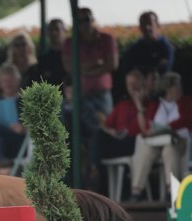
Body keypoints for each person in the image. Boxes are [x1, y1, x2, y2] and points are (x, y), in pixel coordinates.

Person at [62, 8, 119, 179]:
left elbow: (112, 64)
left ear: (92, 20)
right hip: (81, 97)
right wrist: (97, 65)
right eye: (79, 21)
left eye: (86, 20)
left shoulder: (106, 39)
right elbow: (69, 67)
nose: (84, 24)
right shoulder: (70, 42)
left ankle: (95, 170)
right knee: (74, 130)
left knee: (102, 129)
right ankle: (75, 172)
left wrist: (83, 69)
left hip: (102, 95)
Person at [130, 72, 192, 201]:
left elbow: (191, 120)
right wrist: (140, 107)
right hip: (157, 141)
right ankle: (137, 190)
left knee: (169, 150)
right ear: (168, 88)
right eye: (177, 86)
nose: (180, 88)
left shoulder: (186, 102)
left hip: (178, 141)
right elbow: (146, 127)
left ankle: (171, 190)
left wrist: (169, 127)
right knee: (145, 151)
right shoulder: (155, 104)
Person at [97, 69, 149, 163]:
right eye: (129, 84)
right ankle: (93, 168)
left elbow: (145, 128)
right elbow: (107, 125)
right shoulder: (122, 105)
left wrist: (139, 103)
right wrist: (112, 131)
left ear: (142, 84)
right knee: (98, 134)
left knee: (133, 139)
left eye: (135, 83)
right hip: (119, 141)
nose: (132, 87)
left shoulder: (148, 104)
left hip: (136, 143)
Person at [37, 19, 67, 88]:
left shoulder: (72, 56)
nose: (54, 33)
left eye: (57, 29)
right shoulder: (43, 59)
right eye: (51, 30)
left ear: (64, 31)